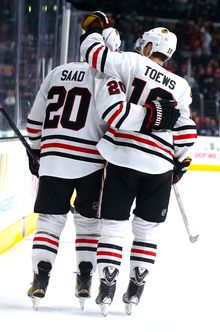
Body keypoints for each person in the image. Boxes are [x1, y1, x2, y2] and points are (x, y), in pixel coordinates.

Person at [26, 26, 179, 310]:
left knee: (49, 222)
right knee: (88, 224)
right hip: (92, 163)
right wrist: (155, 118)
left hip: (53, 158)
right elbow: (116, 118)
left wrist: (35, 149)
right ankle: (85, 278)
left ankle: (41, 279)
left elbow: (35, 119)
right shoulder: (110, 78)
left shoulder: (56, 71)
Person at [80, 12, 198, 315]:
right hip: (159, 166)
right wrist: (179, 163)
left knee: (113, 226)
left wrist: (95, 32)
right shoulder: (181, 86)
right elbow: (186, 132)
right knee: (147, 231)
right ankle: (134, 291)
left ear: (148, 47)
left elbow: (93, 55)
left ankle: (107, 289)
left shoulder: (131, 62)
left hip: (122, 157)